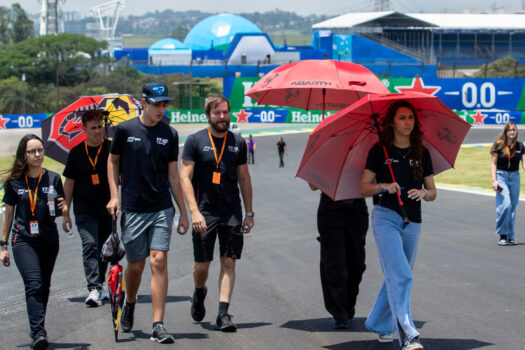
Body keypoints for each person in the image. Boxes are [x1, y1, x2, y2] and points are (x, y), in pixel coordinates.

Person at [106, 82, 189, 344]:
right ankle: (129, 302)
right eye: (156, 104)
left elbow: (174, 175)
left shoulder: (170, 133)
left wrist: (183, 212)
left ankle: (158, 324)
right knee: (136, 265)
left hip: (162, 207)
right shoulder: (124, 130)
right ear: (144, 102)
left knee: (158, 261)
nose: (160, 109)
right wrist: (114, 195)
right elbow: (112, 161)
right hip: (132, 208)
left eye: (164, 104)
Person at [359, 101, 436, 350]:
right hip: (385, 217)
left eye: (411, 118)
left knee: (397, 275)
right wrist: (383, 186)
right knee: (401, 275)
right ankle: (408, 335)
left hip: (413, 220)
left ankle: (380, 324)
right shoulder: (379, 151)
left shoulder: (422, 153)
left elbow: (433, 191)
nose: (408, 122)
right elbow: (363, 188)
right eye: (402, 118)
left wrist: (424, 193)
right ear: (392, 122)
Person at [180, 95, 254, 332]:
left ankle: (223, 313)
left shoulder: (238, 142)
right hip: (205, 212)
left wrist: (249, 212)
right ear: (208, 115)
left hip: (232, 211)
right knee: (202, 265)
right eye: (217, 113)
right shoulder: (195, 140)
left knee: (228, 261)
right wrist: (194, 212)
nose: (222, 117)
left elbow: (244, 178)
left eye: (225, 112)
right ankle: (199, 291)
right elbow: (184, 178)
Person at [1, 134, 66, 350]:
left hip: (48, 240)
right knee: (34, 284)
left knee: (44, 287)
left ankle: (37, 326)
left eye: (40, 150)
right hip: (23, 240)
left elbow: (62, 209)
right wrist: (3, 245)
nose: (37, 154)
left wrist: (62, 208)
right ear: (24, 155)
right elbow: (8, 215)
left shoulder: (54, 179)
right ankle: (39, 332)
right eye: (32, 151)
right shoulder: (14, 183)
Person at [62, 110, 112, 307]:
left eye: (100, 127)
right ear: (84, 130)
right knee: (90, 244)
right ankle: (94, 287)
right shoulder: (76, 153)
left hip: (107, 210)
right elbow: (69, 183)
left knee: (104, 250)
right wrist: (65, 211)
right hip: (84, 209)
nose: (98, 131)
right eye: (93, 128)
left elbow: (122, 175)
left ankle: (99, 284)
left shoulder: (111, 149)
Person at [309, 184, 369, 329]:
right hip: (330, 208)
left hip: (356, 208)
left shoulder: (363, 160)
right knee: (334, 263)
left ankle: (349, 303)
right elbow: (312, 185)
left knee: (357, 263)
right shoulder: (323, 160)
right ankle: (339, 312)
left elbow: (371, 182)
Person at [490, 121, 524, 246]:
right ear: (506, 131)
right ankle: (502, 235)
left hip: (515, 177)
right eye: (509, 130)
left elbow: (524, 164)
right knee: (506, 205)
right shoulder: (498, 145)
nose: (512, 132)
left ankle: (510, 236)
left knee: (513, 208)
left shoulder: (520, 146)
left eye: (514, 129)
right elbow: (493, 164)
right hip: (501, 177)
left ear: (516, 132)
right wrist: (494, 180)